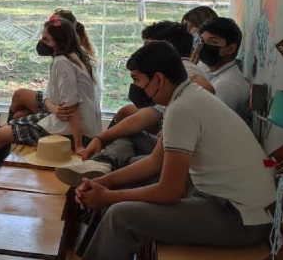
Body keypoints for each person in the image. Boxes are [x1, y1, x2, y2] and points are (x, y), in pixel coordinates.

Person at [56, 41, 275, 260]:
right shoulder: (186, 100)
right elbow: (153, 164)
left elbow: (168, 191)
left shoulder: (183, 108)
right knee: (120, 203)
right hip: (231, 207)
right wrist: (101, 183)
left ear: (158, 79)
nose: (137, 88)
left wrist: (109, 197)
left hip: (238, 218)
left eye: (138, 80)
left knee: (122, 215)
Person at [57, 21, 215, 184]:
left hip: (190, 163)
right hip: (172, 145)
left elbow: (206, 88)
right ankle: (99, 165)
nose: (143, 53)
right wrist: (100, 138)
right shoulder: (173, 84)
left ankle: (101, 169)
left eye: (148, 47)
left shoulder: (183, 79)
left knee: (124, 166)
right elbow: (147, 116)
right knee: (125, 132)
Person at [0, 15, 101, 185]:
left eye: (45, 39)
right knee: (18, 116)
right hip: (62, 121)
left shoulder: (62, 63)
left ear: (60, 42)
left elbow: (70, 109)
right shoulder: (74, 55)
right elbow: (53, 99)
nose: (41, 42)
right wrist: (52, 107)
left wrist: (79, 145)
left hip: (71, 131)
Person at [8, 8, 92, 120]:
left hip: (64, 109)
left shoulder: (66, 58)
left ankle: (7, 127)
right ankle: (9, 127)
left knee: (19, 95)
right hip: (56, 102)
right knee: (20, 115)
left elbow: (68, 103)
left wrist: (50, 104)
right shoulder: (72, 51)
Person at [197, 16, 250, 120]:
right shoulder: (211, 72)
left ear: (231, 49)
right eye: (203, 41)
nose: (204, 46)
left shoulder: (227, 85)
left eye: (213, 42)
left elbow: (210, 124)